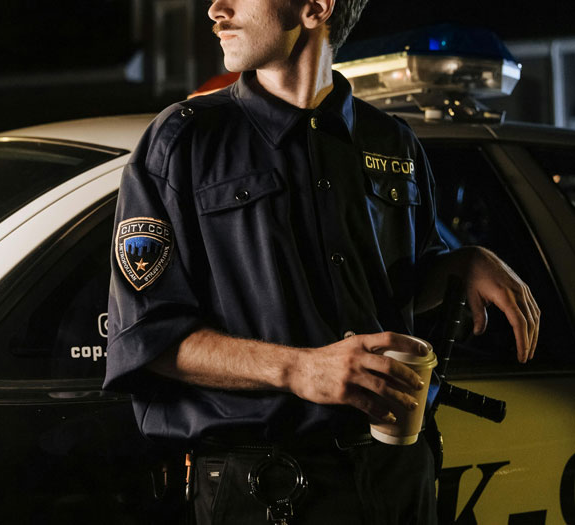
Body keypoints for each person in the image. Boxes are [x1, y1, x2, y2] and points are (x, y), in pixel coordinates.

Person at [104, 0, 540, 523]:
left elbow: (395, 290)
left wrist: (461, 262)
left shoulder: (393, 141)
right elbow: (146, 338)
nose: (215, 10)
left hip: (398, 477)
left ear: (316, 7)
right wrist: (300, 370)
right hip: (266, 489)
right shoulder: (183, 141)